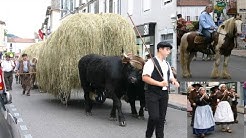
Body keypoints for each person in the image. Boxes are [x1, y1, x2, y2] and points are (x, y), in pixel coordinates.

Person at [142, 41, 179, 138]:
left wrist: (174, 81)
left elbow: (170, 77)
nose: (169, 52)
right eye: (167, 49)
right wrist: (159, 83)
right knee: (154, 117)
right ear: (160, 49)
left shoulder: (167, 63)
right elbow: (145, 77)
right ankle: (148, 135)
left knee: (161, 119)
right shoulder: (150, 62)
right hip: (152, 93)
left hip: (164, 94)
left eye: (169, 50)